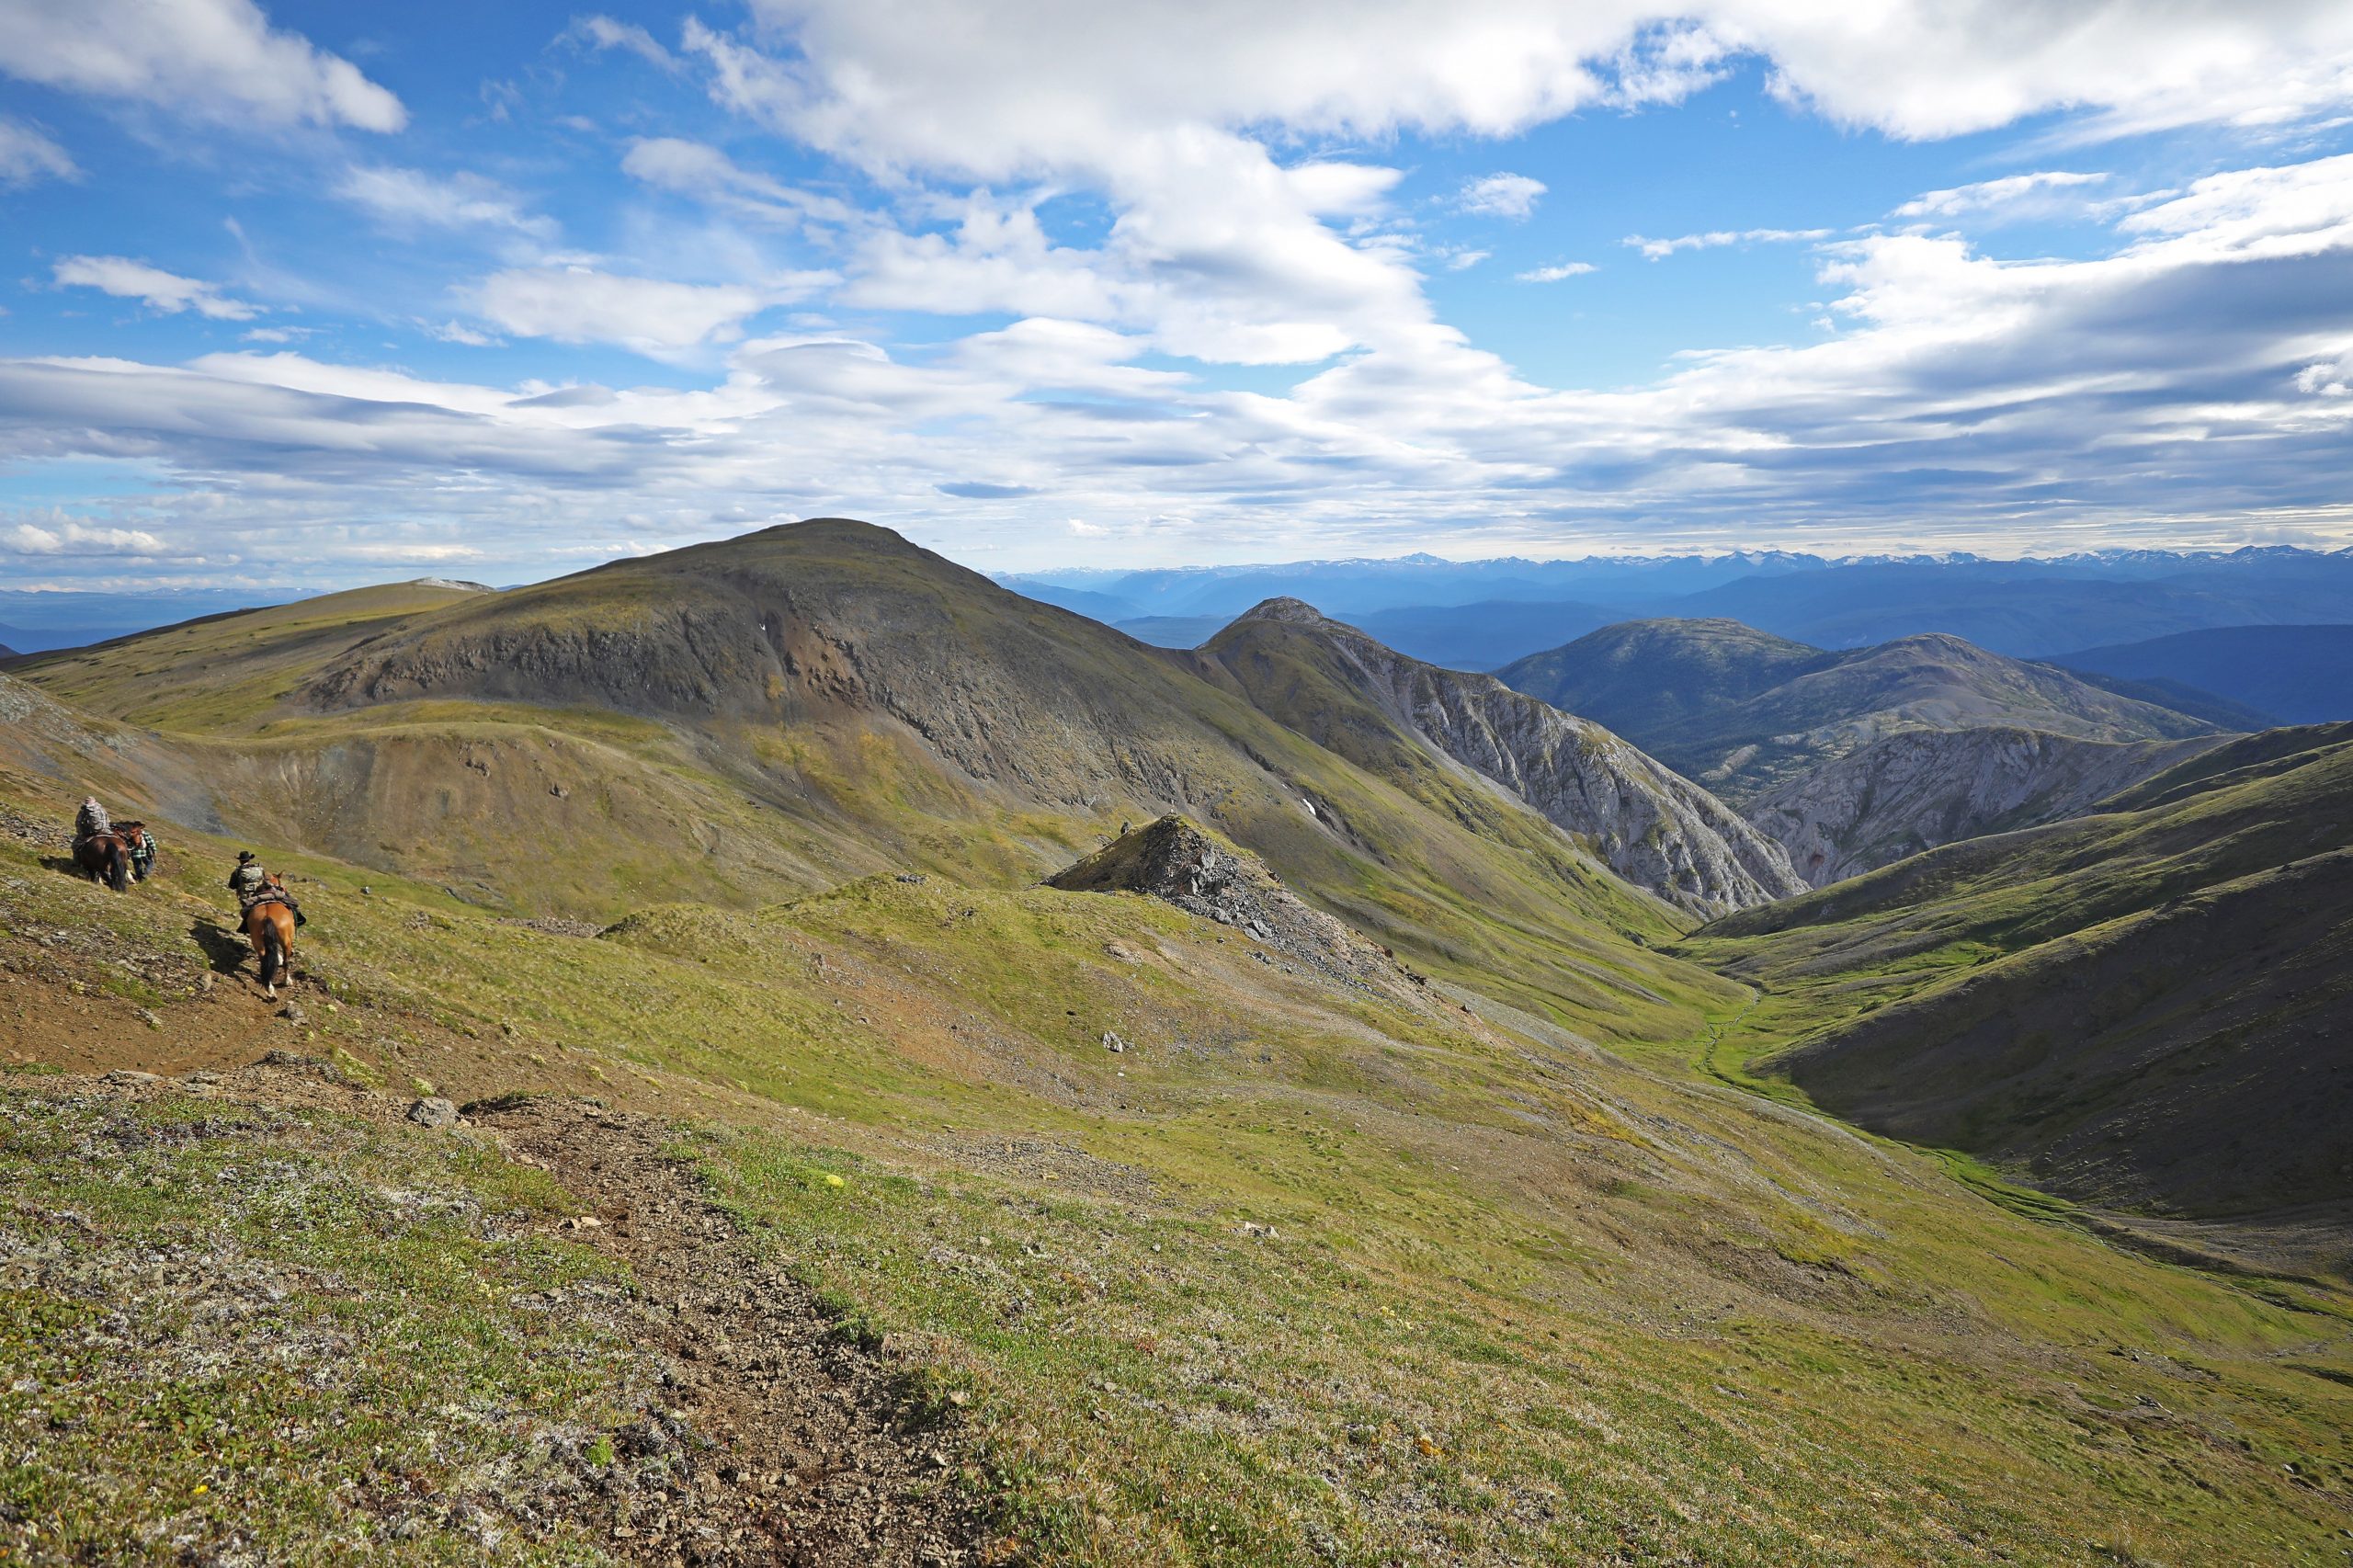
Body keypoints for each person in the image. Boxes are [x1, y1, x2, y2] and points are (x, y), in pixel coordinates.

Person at [228, 849, 304, 927]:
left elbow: (232, 885)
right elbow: (264, 879)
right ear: (249, 859)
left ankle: (246, 926)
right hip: (260, 892)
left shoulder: (237, 871)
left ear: (240, 861)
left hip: (246, 896)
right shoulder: (259, 868)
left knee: (246, 912)